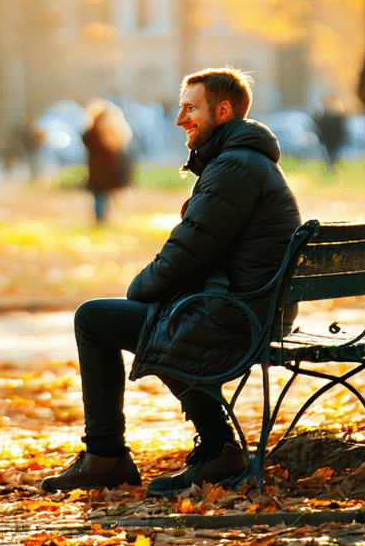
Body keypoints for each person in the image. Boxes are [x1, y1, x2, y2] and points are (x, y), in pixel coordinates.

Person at [41, 67, 301, 496]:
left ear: (223, 111)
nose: (180, 119)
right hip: (251, 309)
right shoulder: (243, 162)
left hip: (239, 316)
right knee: (162, 319)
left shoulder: (235, 166)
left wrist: (138, 292)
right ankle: (215, 447)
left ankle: (109, 456)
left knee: (95, 319)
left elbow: (189, 250)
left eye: (190, 109)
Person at [80, 101, 134, 223]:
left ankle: (101, 218)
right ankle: (106, 217)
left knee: (100, 196)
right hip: (108, 171)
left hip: (99, 172)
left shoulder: (93, 133)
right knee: (106, 196)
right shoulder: (111, 134)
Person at [312, 96, 349, 170]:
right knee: (330, 156)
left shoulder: (337, 116)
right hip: (328, 140)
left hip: (335, 140)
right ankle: (330, 168)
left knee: (333, 156)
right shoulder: (325, 116)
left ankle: (332, 168)